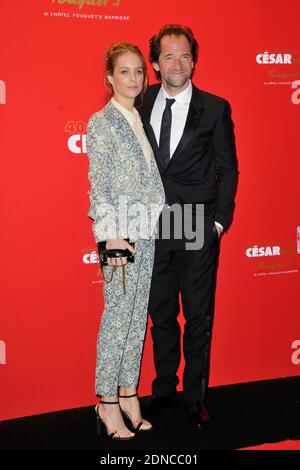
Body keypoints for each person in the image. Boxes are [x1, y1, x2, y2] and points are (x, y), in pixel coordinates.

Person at [138, 24, 239, 428]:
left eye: (184, 56)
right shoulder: (139, 101)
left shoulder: (215, 107)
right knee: (160, 315)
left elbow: (227, 168)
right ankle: (164, 391)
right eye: (168, 56)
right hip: (153, 226)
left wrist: (218, 221)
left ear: (193, 60)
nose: (177, 64)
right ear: (156, 63)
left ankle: (195, 397)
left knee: (198, 317)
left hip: (197, 223)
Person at [86, 42, 165, 440]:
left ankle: (129, 392)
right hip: (119, 234)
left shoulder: (138, 118)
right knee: (117, 320)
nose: (133, 79)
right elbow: (99, 186)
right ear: (109, 78)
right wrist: (111, 235)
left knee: (136, 320)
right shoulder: (103, 122)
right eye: (124, 72)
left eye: (138, 72)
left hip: (146, 230)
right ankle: (106, 402)